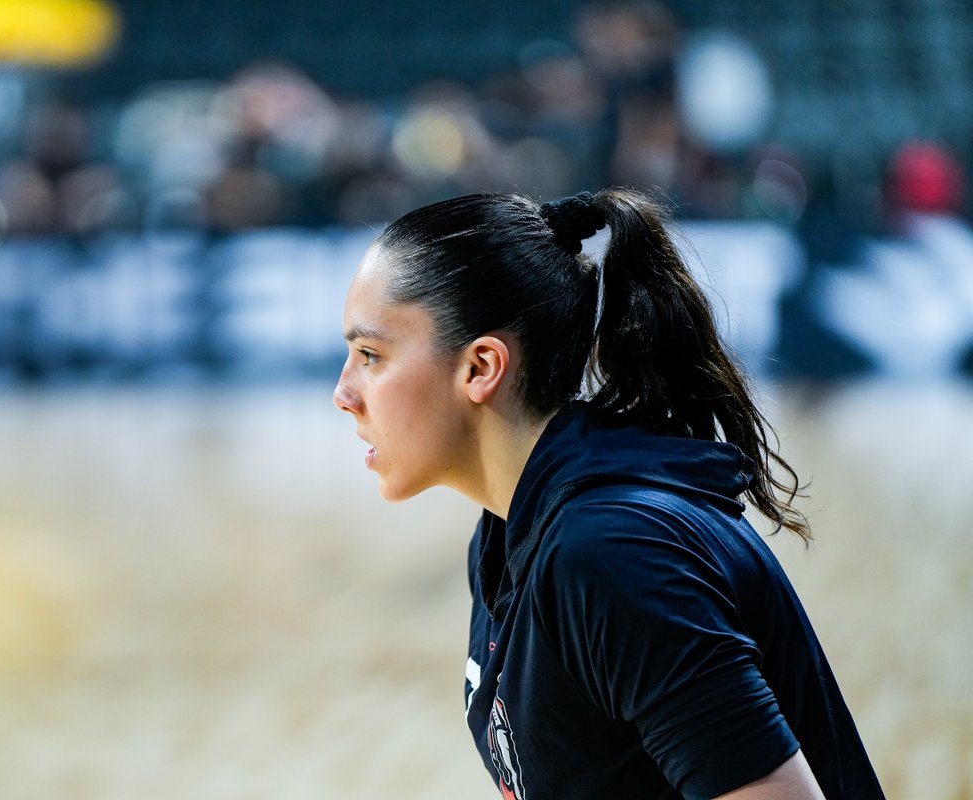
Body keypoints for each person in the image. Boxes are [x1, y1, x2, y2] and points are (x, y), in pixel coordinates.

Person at [332, 188, 884, 799]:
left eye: (369, 354)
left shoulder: (612, 556)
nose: (344, 391)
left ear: (482, 367)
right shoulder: (509, 532)